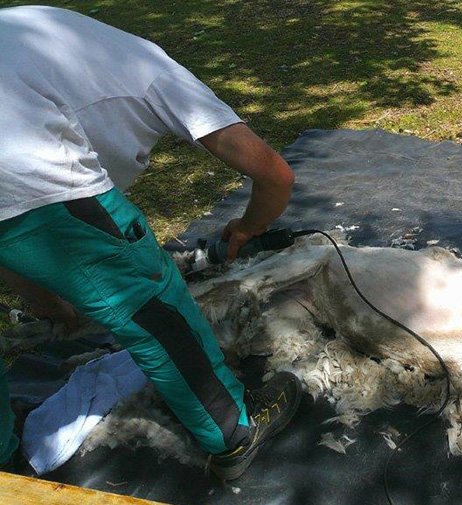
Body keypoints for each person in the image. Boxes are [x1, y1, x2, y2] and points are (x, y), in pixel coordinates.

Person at [0, 5, 301, 480]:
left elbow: (8, 229)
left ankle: (3, 454)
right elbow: (275, 175)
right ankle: (233, 432)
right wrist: (246, 228)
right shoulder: (158, 74)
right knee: (151, 303)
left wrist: (46, 302)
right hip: (25, 166)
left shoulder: (37, 33)